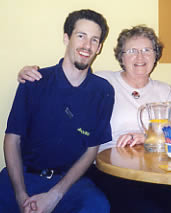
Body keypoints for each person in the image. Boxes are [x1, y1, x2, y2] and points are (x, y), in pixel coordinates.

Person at [17, 25, 171, 213]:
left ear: (156, 55)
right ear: (121, 56)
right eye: (132, 51)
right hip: (112, 171)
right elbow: (69, 80)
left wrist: (148, 137)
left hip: (158, 170)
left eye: (147, 50)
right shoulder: (103, 82)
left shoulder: (164, 90)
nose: (140, 57)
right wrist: (30, 73)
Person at [0, 9, 114, 213]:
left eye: (94, 40)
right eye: (81, 36)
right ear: (66, 38)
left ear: (99, 48)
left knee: (98, 206)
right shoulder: (34, 82)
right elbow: (12, 139)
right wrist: (20, 194)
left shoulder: (103, 91)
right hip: (22, 177)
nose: (87, 46)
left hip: (70, 183)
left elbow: (91, 151)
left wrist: (56, 194)